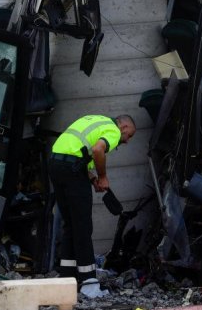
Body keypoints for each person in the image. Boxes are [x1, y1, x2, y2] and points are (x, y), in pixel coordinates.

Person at [48, 114, 136, 286]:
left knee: (70, 224)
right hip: (71, 170)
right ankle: (88, 281)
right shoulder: (113, 130)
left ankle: (67, 276)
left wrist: (93, 180)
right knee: (82, 225)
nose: (126, 141)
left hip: (55, 164)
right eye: (129, 135)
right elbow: (97, 150)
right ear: (123, 127)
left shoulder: (95, 120)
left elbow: (80, 155)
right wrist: (102, 177)